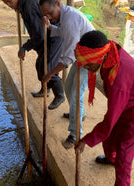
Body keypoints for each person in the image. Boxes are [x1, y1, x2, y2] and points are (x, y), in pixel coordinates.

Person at [75, 30, 134, 186]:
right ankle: (110, 158)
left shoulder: (119, 79)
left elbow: (109, 121)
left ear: (98, 57)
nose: (86, 67)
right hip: (125, 104)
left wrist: (86, 140)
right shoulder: (109, 51)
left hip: (132, 114)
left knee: (124, 153)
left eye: (88, 63)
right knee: (108, 139)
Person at [39, 0, 94, 148]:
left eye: (50, 13)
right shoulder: (63, 16)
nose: (49, 17)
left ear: (58, 3)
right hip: (81, 56)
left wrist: (50, 74)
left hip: (90, 60)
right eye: (46, 15)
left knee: (75, 96)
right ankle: (79, 114)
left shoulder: (70, 19)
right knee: (69, 89)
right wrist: (50, 26)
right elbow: (61, 32)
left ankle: (75, 135)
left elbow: (68, 58)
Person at [2, 0, 65, 110]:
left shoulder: (29, 7)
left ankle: (60, 95)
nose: (9, 5)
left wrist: (24, 47)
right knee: (39, 65)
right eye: (6, 3)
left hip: (53, 38)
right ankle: (45, 89)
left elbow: (39, 35)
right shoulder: (23, 5)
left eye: (10, 1)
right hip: (44, 38)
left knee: (49, 68)